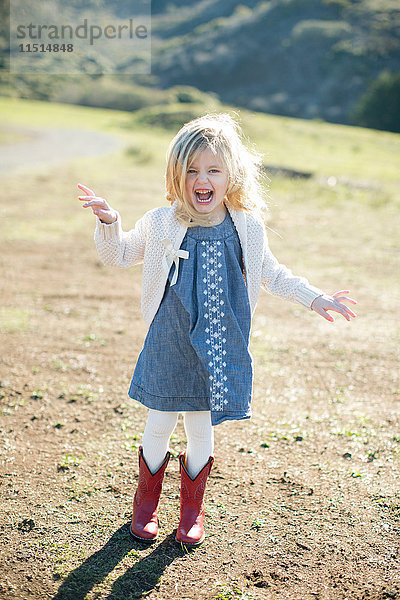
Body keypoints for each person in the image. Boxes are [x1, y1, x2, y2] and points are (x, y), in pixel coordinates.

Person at [78, 113, 356, 547]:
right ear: (177, 175)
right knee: (160, 421)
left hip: (219, 343)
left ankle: (191, 511)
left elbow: (272, 273)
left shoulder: (246, 227)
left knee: (201, 427)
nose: (201, 179)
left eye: (212, 170)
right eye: (191, 170)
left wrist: (315, 297)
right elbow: (119, 254)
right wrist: (109, 221)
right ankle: (146, 503)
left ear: (230, 176)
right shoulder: (161, 221)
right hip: (169, 340)